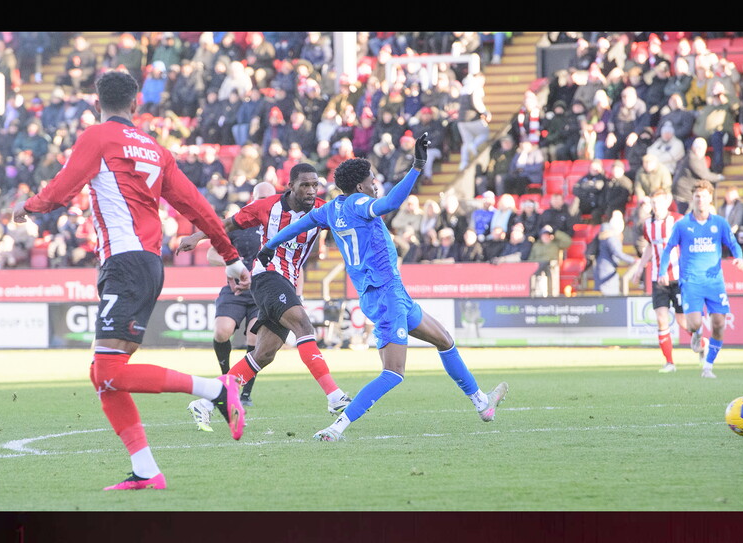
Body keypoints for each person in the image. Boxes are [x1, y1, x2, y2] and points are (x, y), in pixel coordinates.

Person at [11, 70, 252, 491]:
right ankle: (145, 469)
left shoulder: (98, 137)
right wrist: (230, 256)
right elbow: (198, 206)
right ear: (136, 104)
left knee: (107, 370)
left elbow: (62, 190)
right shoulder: (156, 150)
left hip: (124, 263)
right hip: (146, 263)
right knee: (105, 374)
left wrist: (28, 207)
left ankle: (217, 388)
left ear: (96, 101)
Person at [256, 133, 508, 441]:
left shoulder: (331, 208)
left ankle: (482, 402)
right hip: (386, 295)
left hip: (390, 293)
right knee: (393, 373)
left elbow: (298, 225)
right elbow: (391, 203)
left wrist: (269, 244)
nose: (376, 185)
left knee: (443, 339)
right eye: (373, 180)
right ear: (361, 186)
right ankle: (336, 428)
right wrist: (417, 166)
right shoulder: (361, 203)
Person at [179, 163, 352, 425]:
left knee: (264, 354)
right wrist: (197, 236)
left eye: (315, 185)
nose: (310, 190)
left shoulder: (321, 208)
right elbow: (228, 223)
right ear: (291, 185)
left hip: (287, 281)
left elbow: (349, 217)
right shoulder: (267, 206)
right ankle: (334, 395)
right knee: (304, 325)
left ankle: (205, 402)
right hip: (267, 276)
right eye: (305, 185)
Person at [176, 182, 276, 407]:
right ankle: (225, 379)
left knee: (254, 338)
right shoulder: (239, 223)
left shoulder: (280, 224)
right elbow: (212, 253)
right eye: (260, 199)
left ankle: (245, 393)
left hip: (263, 290)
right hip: (236, 289)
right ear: (252, 199)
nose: (264, 204)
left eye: (268, 200)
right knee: (222, 331)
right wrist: (233, 264)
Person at [657, 180, 743, 378]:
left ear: (710, 198)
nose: (700, 199)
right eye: (697, 196)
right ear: (693, 199)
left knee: (719, 324)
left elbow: (733, 243)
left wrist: (738, 257)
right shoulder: (683, 225)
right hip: (691, 281)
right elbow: (668, 248)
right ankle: (696, 335)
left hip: (714, 282)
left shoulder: (720, 223)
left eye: (704, 196)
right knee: (695, 323)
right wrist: (663, 271)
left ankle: (708, 366)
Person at [628, 190, 703, 372]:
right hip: (657, 279)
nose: (656, 207)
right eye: (653, 203)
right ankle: (669, 362)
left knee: (682, 321)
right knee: (661, 319)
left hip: (677, 278)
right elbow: (649, 248)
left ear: (667, 203)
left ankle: (699, 340)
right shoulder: (647, 224)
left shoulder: (677, 221)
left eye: (659, 203)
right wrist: (640, 269)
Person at [671, 137, 724, 214]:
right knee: (686, 214)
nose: (700, 150)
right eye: (698, 148)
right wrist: (719, 177)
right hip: (683, 193)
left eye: (702, 149)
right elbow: (704, 175)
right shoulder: (692, 158)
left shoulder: (699, 158)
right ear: (693, 148)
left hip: (688, 192)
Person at [593, 210, 635, 295]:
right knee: (609, 299)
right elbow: (617, 252)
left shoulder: (608, 232)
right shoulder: (610, 234)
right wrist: (634, 260)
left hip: (607, 269)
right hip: (606, 271)